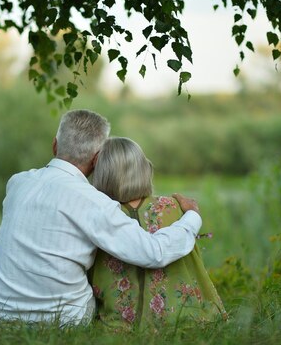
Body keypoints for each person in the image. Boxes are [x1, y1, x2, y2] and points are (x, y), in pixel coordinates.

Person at [0, 109, 204, 326]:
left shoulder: (17, 182)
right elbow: (153, 252)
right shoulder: (95, 202)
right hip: (62, 321)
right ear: (97, 160)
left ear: (54, 145)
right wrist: (192, 216)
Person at [89, 137, 226, 330]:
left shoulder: (100, 215)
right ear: (144, 169)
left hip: (117, 323)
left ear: (102, 175)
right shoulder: (171, 208)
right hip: (177, 320)